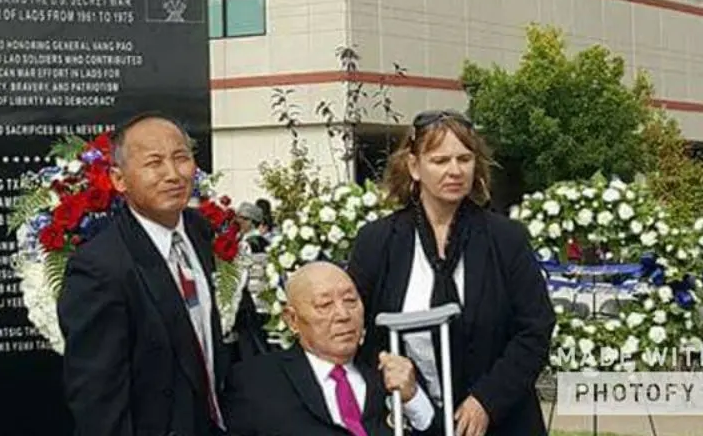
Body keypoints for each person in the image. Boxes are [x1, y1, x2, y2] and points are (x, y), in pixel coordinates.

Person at [347, 111, 554, 436]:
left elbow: (535, 329)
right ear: (415, 167)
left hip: (503, 421)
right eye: (440, 160)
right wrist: (394, 380)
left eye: (464, 159)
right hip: (408, 418)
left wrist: (486, 400)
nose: (455, 171)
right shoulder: (378, 242)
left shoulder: (506, 238)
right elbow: (355, 330)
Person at [57, 114, 226, 436]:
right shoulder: (99, 268)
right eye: (154, 163)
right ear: (119, 180)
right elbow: (98, 398)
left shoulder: (200, 232)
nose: (173, 174)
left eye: (181, 158)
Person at [223, 261, 434, 436]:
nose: (343, 315)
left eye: (351, 301)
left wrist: (413, 398)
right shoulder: (255, 382)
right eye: (325, 305)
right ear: (292, 320)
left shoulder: (391, 368)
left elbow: (441, 431)